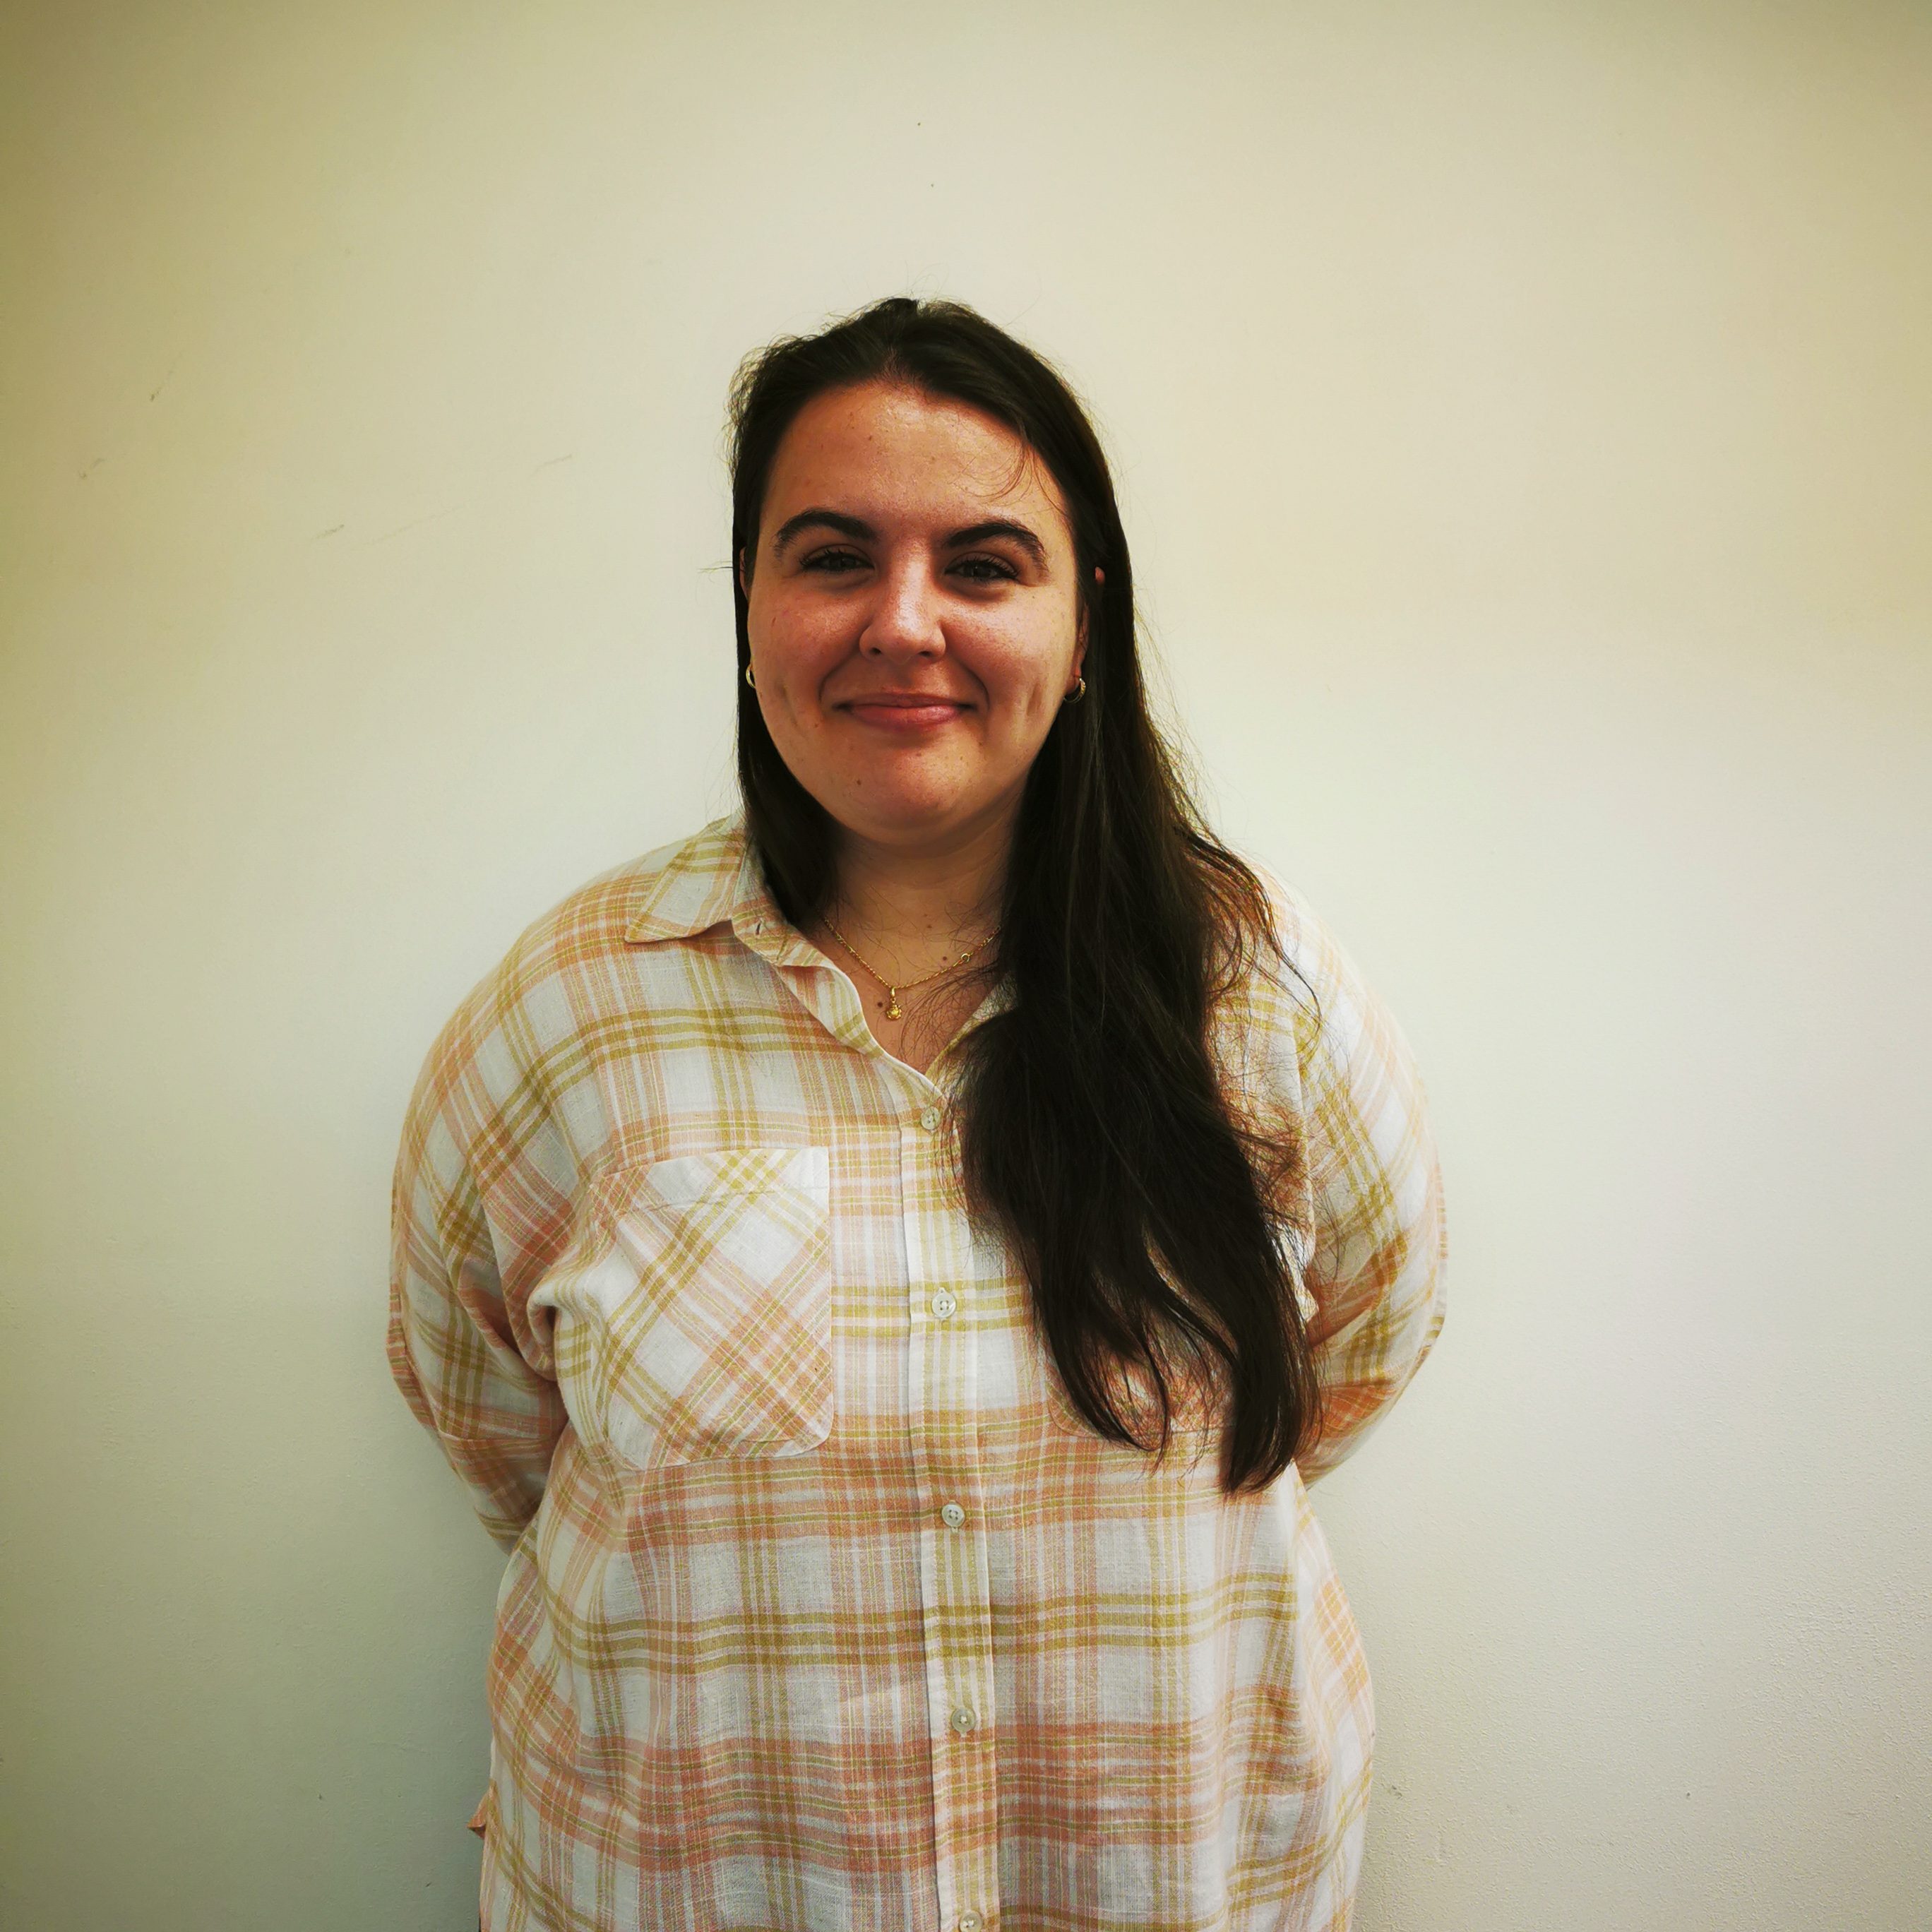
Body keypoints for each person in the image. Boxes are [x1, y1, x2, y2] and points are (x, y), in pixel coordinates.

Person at [388, 294, 1448, 1932]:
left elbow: (1366, 1337)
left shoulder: (1262, 992)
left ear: (1083, 626)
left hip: (1166, 1878)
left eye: (983, 564)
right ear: (749, 604)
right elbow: (490, 1415)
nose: (902, 621)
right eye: (833, 557)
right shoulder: (568, 1014)